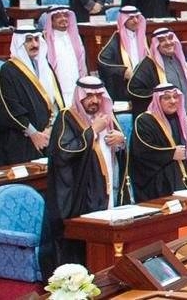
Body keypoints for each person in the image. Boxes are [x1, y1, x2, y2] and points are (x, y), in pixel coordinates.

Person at [40, 77, 127, 274]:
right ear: (79, 97)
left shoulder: (108, 117)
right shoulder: (66, 118)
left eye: (98, 95)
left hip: (107, 193)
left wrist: (121, 142)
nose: (94, 100)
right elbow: (64, 152)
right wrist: (93, 131)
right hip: (80, 198)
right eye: (88, 96)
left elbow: (119, 154)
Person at [0, 28, 63, 167]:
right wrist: (34, 134)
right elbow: (8, 110)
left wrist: (50, 129)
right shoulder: (6, 72)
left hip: (48, 138)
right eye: (28, 40)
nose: (34, 44)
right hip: (20, 141)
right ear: (19, 44)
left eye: (36, 39)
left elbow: (56, 102)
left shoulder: (45, 67)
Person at [130, 84, 187, 201]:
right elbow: (142, 152)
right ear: (157, 100)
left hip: (185, 175)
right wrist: (171, 154)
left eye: (175, 97)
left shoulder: (182, 117)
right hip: (160, 182)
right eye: (167, 98)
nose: (172, 101)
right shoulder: (145, 121)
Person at [128, 28, 187, 129]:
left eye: (170, 38)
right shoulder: (147, 65)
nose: (168, 42)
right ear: (156, 44)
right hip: (162, 122)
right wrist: (159, 96)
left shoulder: (181, 60)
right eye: (162, 40)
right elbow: (133, 90)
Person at [97, 6, 147, 102]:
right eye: (131, 18)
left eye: (137, 17)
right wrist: (123, 71)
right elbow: (102, 61)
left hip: (143, 85)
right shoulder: (116, 39)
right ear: (123, 20)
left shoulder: (143, 37)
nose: (136, 21)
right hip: (123, 87)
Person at [43, 8, 88, 105]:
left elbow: (81, 62)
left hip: (75, 84)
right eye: (58, 16)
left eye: (65, 15)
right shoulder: (46, 39)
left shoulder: (75, 37)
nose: (63, 19)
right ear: (51, 21)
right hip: (56, 87)